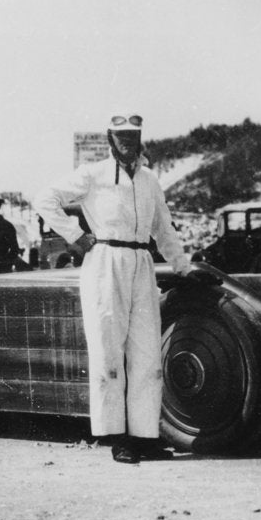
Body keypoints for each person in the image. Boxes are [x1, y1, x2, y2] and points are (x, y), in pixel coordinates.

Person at [34, 110, 193, 465]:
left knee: (147, 352)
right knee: (109, 350)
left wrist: (183, 267)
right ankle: (117, 437)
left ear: (140, 139)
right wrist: (76, 237)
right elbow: (44, 199)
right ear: (110, 140)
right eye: (121, 137)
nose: (128, 143)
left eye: (134, 137)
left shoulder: (150, 179)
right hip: (105, 262)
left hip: (141, 263)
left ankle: (145, 436)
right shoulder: (93, 174)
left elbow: (163, 228)